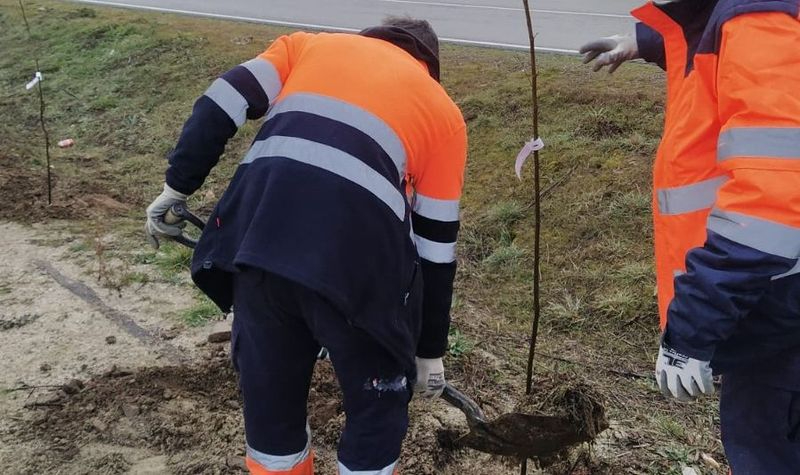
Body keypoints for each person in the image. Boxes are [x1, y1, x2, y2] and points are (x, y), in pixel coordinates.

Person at [144, 16, 467, 475]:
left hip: (258, 247)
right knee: (377, 408)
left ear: (370, 40)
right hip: (359, 271)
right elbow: (435, 248)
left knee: (271, 407)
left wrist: (177, 187)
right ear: (428, 67)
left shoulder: (307, 48)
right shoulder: (442, 112)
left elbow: (220, 104)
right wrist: (427, 350)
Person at [580, 0, 800, 472]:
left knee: (768, 450)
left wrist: (692, 330)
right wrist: (649, 40)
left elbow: (768, 207)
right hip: (773, 301)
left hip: (778, 308)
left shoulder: (758, 19)